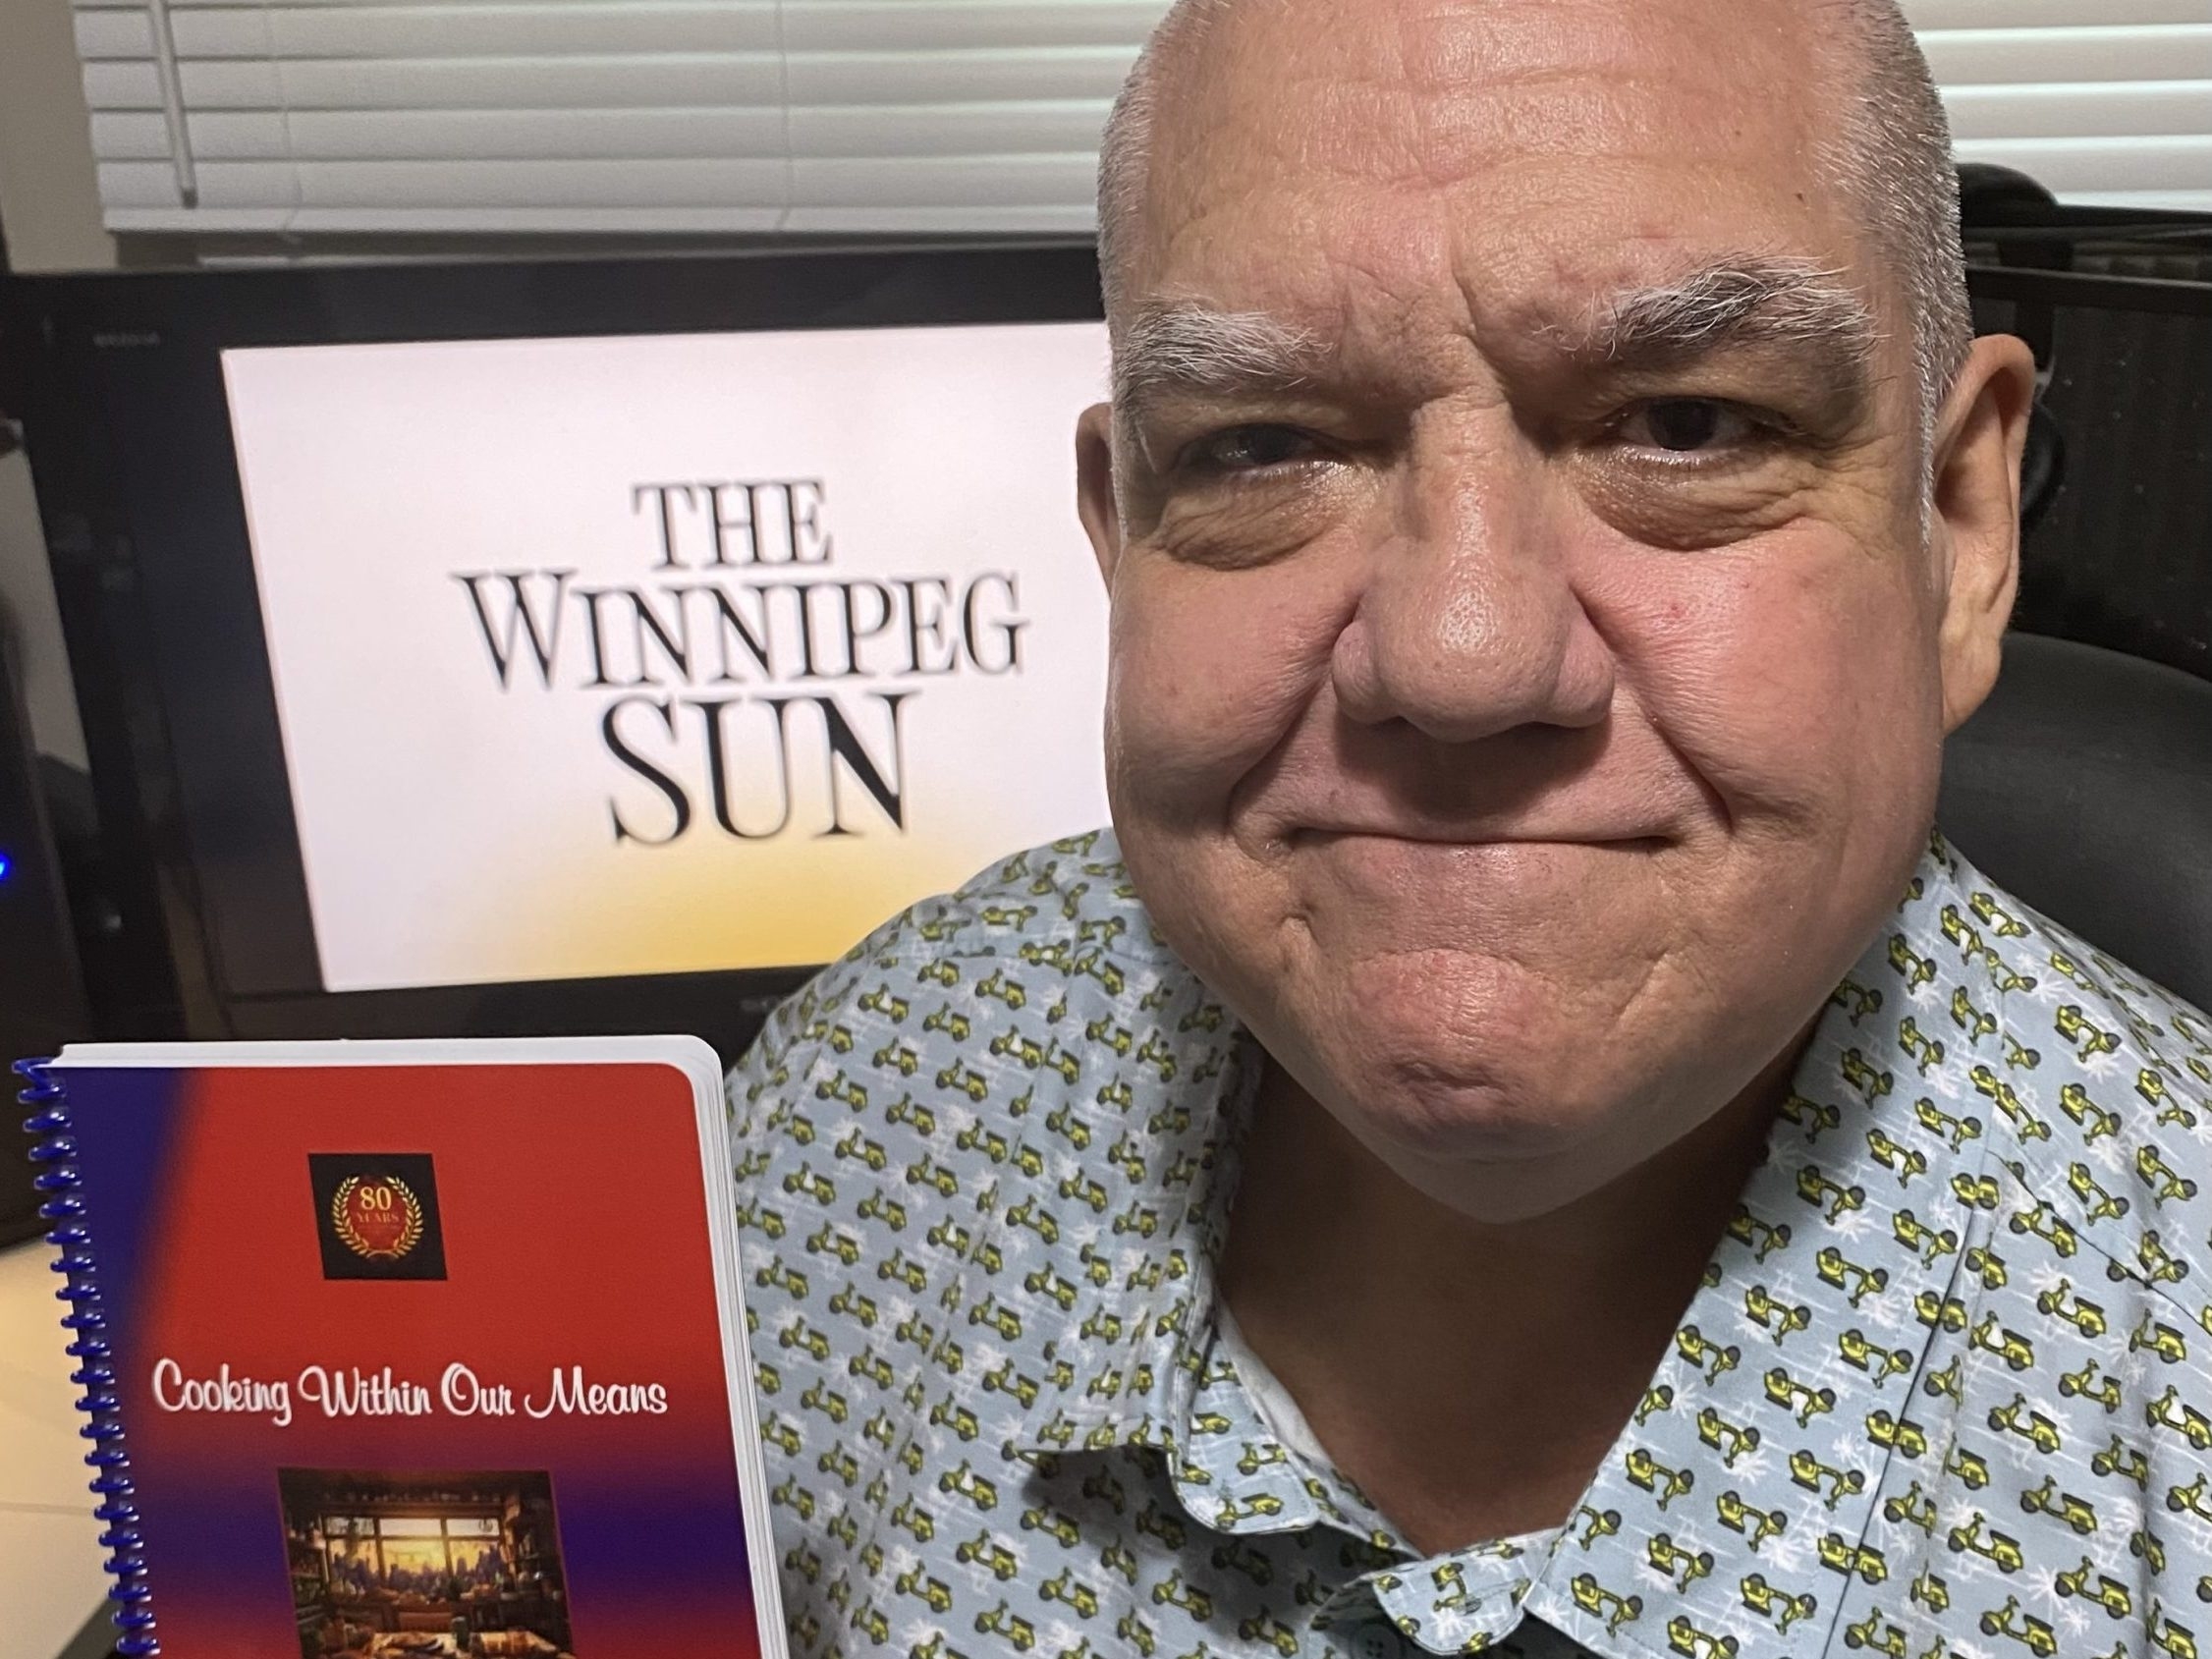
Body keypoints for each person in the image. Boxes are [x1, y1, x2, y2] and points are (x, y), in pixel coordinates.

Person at [727, 0, 2212, 1653]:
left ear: (1961, 527)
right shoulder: (867, 1092)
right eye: (1263, 445)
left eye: (1686, 425)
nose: (1459, 656)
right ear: (1122, 536)